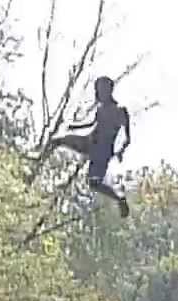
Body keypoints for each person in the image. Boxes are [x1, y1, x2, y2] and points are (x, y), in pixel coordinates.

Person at [46, 76, 132, 217]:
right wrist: (75, 126)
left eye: (101, 90)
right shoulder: (100, 109)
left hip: (102, 151)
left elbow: (127, 137)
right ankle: (38, 157)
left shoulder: (120, 111)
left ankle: (119, 199)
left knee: (93, 183)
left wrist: (121, 150)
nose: (99, 94)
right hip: (89, 142)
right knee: (57, 141)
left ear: (109, 90)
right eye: (98, 90)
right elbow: (92, 124)